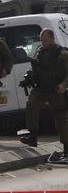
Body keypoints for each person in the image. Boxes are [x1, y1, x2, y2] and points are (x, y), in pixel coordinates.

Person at [20, 28, 68, 163]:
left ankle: (67, 149)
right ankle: (33, 136)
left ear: (52, 39)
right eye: (41, 40)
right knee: (31, 104)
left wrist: (64, 85)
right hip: (41, 89)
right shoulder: (40, 51)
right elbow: (36, 68)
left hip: (56, 90)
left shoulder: (62, 54)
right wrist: (29, 79)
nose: (43, 43)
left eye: (45, 40)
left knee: (61, 118)